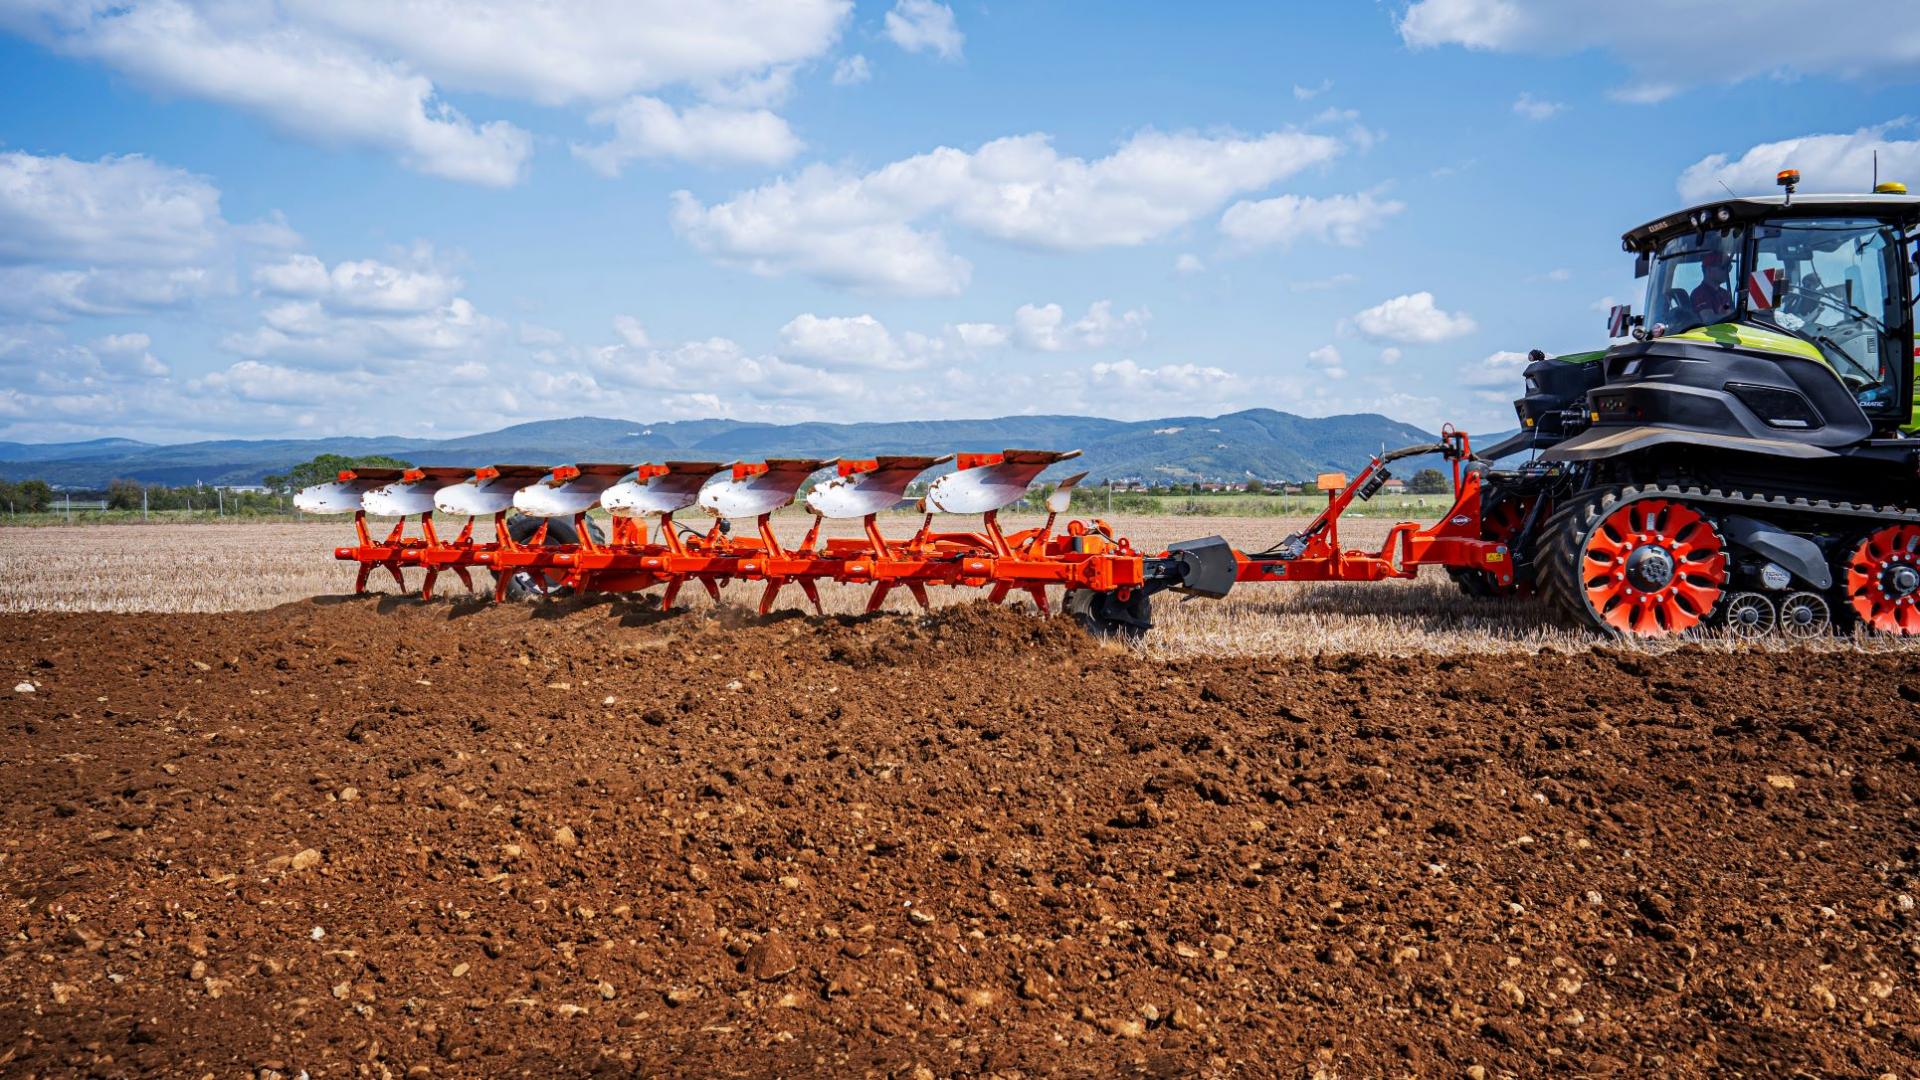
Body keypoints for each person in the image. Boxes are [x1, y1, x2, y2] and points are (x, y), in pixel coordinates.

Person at [1690, 249, 1737, 324]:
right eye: (1723, 267)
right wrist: (1729, 314)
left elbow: (1728, 309)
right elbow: (1709, 319)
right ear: (1709, 270)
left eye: (1729, 268)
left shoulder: (1725, 294)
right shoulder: (1699, 294)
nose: (1727, 271)